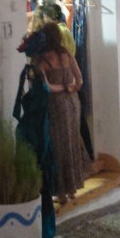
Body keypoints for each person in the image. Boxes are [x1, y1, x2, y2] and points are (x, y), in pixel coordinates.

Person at [37, 22, 88, 202]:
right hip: (73, 102)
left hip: (56, 105)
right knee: (72, 141)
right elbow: (80, 79)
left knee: (59, 145)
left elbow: (47, 87)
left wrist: (63, 87)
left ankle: (61, 193)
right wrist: (71, 87)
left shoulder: (44, 59)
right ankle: (73, 189)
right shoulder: (67, 54)